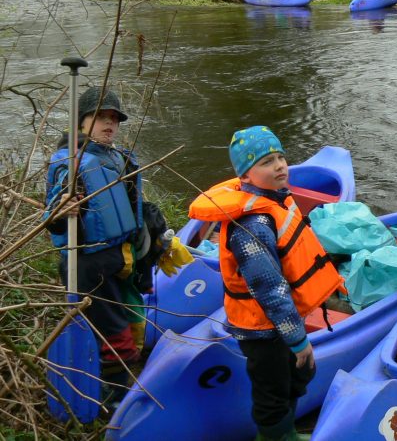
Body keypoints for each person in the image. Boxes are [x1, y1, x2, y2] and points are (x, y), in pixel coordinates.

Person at [189, 126, 344, 441]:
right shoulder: (253, 226)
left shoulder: (275, 202)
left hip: (280, 322)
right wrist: (297, 339)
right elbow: (270, 291)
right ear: (245, 175)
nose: (279, 166)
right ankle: (275, 436)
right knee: (272, 391)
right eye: (266, 162)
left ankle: (285, 432)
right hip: (263, 329)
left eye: (280, 157)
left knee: (297, 375)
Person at [45, 87, 191, 408]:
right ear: (81, 121)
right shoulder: (71, 164)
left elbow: (130, 206)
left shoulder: (116, 157)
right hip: (88, 266)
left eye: (114, 118)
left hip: (119, 259)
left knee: (132, 322)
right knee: (115, 336)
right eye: (101, 117)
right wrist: (62, 211)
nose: (109, 123)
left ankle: (118, 380)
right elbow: (52, 219)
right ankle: (113, 401)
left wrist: (156, 235)